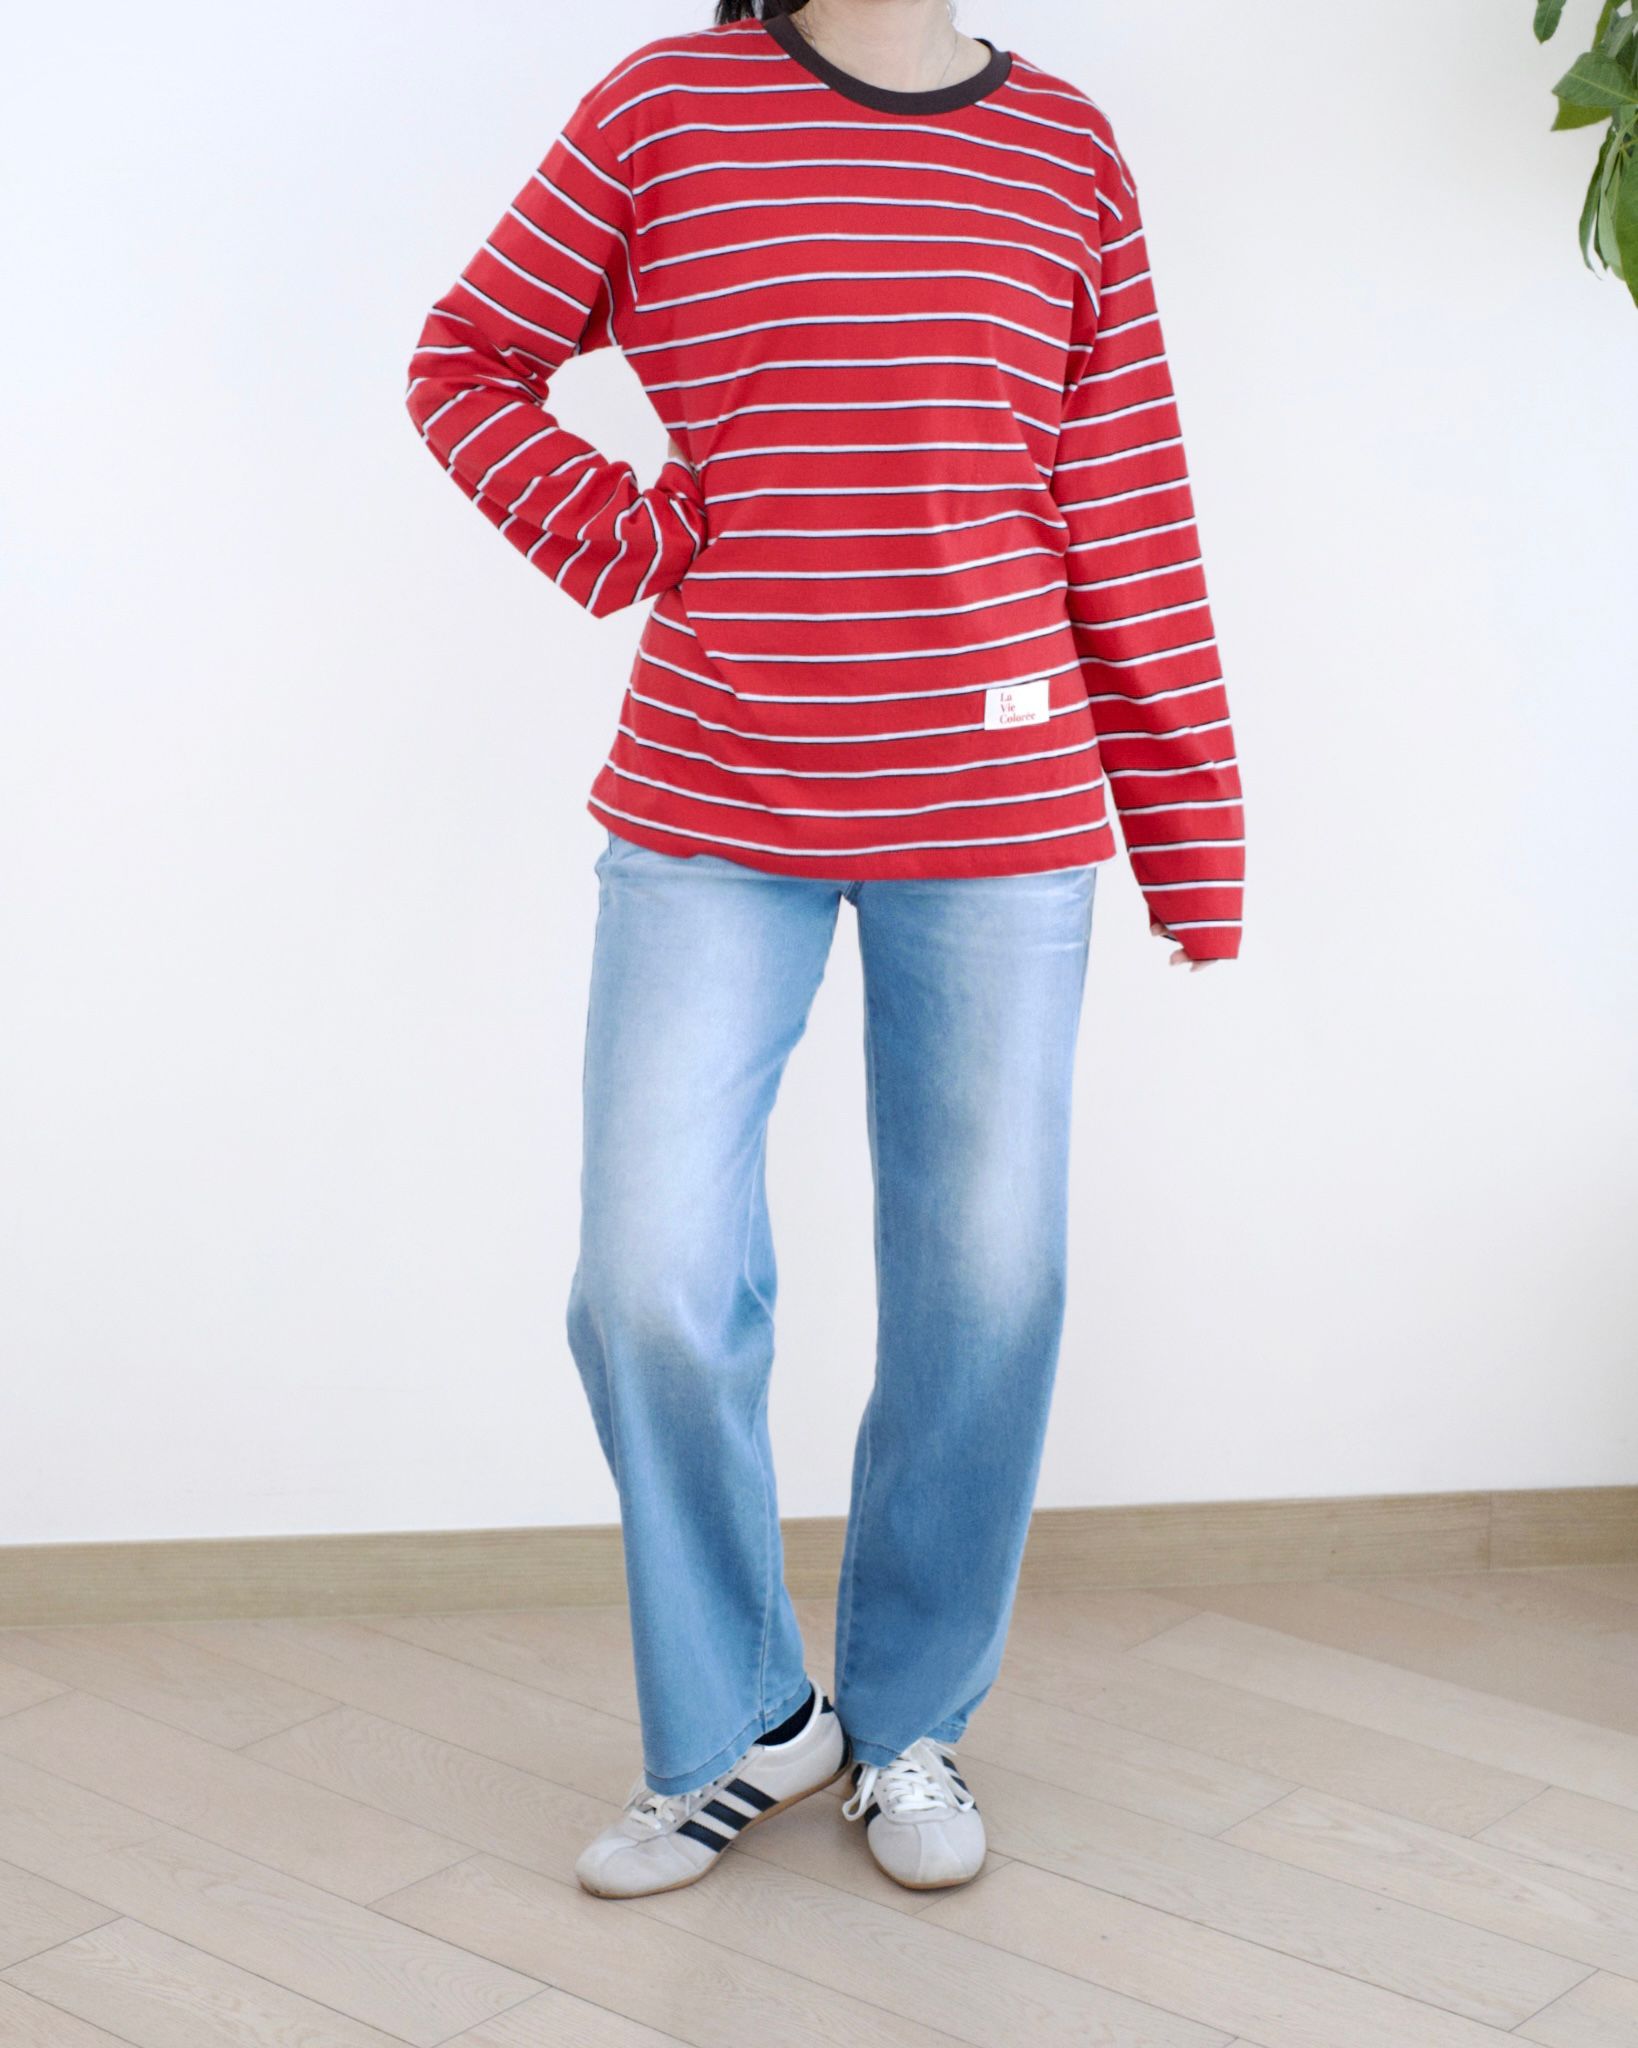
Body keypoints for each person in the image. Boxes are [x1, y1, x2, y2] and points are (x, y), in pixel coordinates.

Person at [403, 0, 1245, 1899]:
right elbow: (468, 360)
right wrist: (626, 535)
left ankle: (910, 1719)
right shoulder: (665, 108)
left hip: (1000, 802)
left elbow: (1123, 505)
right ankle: (742, 1723)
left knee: (985, 1286)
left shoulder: (1063, 147)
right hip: (712, 793)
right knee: (648, 1281)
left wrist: (1189, 843)